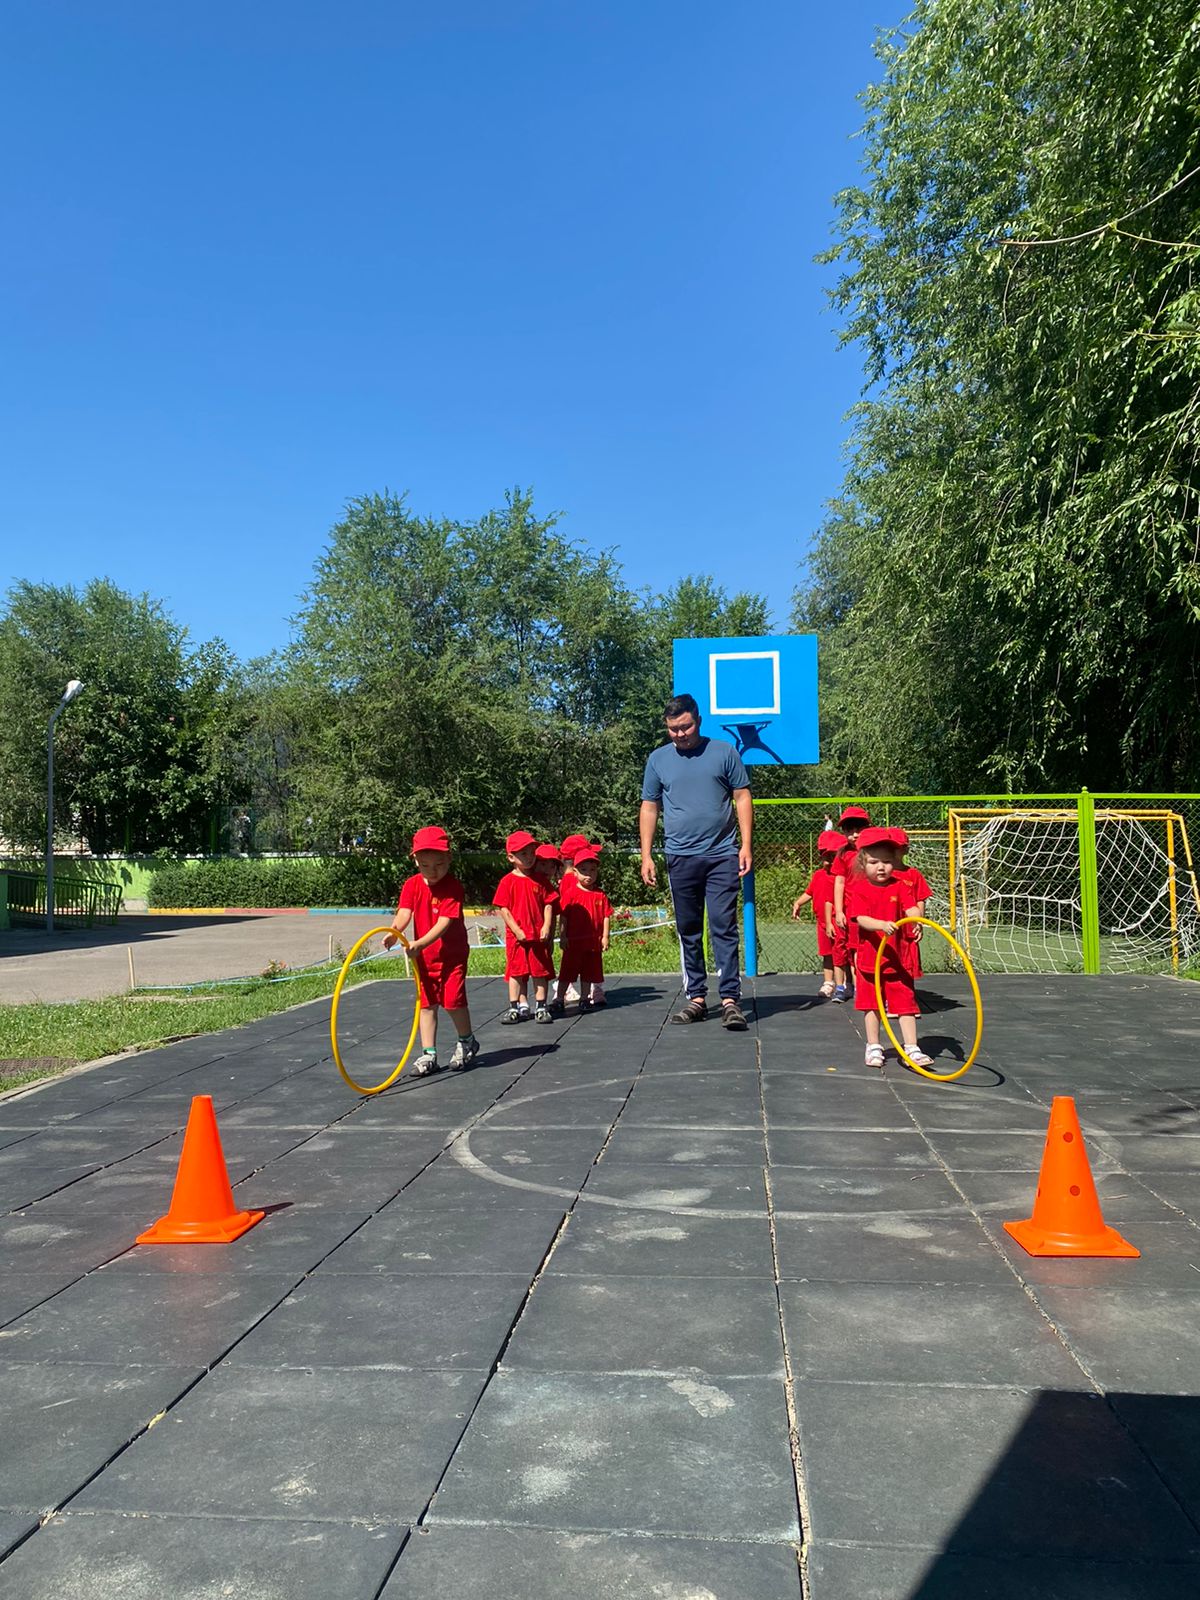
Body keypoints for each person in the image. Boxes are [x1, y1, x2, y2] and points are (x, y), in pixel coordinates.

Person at [639, 692, 752, 1030]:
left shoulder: (724, 752)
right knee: (689, 929)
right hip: (680, 857)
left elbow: (742, 796)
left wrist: (745, 845)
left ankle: (730, 1000)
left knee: (723, 926)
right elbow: (649, 807)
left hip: (721, 855)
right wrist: (646, 855)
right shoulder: (658, 759)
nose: (680, 734)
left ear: (698, 721)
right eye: (673, 729)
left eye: (685, 727)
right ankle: (697, 998)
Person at [384, 825, 479, 1075]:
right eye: (426, 865)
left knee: (453, 1002)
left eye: (439, 864)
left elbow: (444, 923)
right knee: (426, 1005)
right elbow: (405, 912)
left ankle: (466, 1041)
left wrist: (420, 943)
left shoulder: (452, 888)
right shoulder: (412, 885)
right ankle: (429, 1054)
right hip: (425, 960)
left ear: (448, 858)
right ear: (415, 860)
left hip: (451, 957)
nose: (433, 871)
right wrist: (395, 931)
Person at [845, 826, 934, 1070]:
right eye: (874, 862)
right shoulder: (860, 889)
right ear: (863, 864)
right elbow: (860, 918)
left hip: (898, 958)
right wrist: (881, 925)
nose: (881, 867)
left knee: (905, 1004)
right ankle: (873, 1045)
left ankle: (912, 1047)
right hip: (870, 959)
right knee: (871, 1004)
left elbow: (912, 907)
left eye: (887, 861)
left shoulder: (901, 885)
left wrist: (916, 920)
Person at [493, 830, 557, 1024]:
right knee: (516, 972)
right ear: (511, 857)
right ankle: (516, 1006)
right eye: (523, 854)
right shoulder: (507, 881)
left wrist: (546, 925)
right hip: (517, 938)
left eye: (531, 852)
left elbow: (548, 903)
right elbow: (503, 908)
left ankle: (541, 1006)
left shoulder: (541, 880)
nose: (529, 858)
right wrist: (516, 930)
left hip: (538, 935)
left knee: (540, 971)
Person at [554, 846, 613, 1012]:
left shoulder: (600, 895)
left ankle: (585, 998)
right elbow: (563, 916)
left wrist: (605, 936)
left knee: (589, 972)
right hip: (573, 942)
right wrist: (563, 936)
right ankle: (559, 997)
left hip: (592, 943)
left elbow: (606, 915)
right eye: (584, 870)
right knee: (567, 972)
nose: (588, 874)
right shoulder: (571, 893)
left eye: (593, 870)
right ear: (575, 872)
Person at [792, 829, 845, 998]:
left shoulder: (841, 877)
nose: (829, 861)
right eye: (826, 857)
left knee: (843, 954)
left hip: (838, 922)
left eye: (833, 856)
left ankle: (845, 984)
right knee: (827, 954)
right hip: (822, 923)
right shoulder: (819, 876)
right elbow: (810, 892)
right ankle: (828, 982)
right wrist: (798, 902)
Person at [830, 805, 871, 1002]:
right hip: (850, 909)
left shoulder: (873, 851)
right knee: (846, 947)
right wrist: (839, 911)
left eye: (859, 829)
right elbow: (839, 882)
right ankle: (847, 986)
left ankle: (863, 987)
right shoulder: (843, 854)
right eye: (850, 830)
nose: (855, 834)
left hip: (870, 910)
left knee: (864, 949)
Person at [891, 826, 932, 981]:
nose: (896, 852)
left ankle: (906, 997)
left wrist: (919, 923)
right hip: (889, 928)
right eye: (892, 847)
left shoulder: (913, 874)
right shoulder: (882, 875)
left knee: (908, 963)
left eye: (900, 848)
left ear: (905, 850)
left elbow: (920, 899)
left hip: (908, 929)